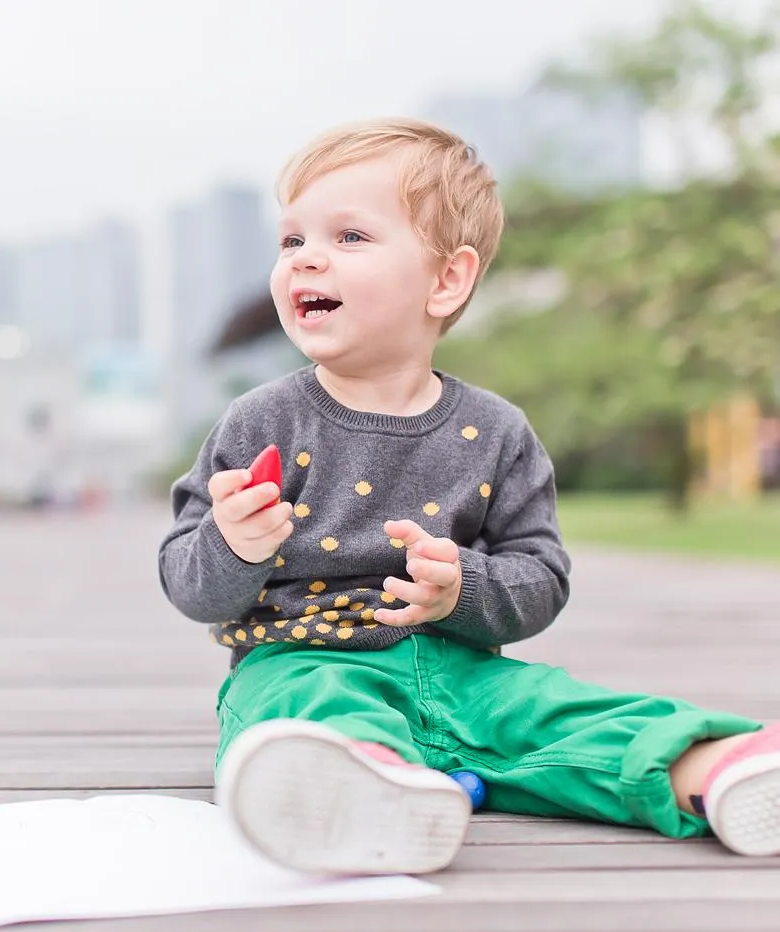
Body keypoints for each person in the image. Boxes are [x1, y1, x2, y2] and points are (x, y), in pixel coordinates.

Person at [158, 119, 779, 876]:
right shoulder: (262, 422)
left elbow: (542, 579)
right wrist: (233, 543)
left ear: (446, 280)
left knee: (558, 713)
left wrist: (463, 588)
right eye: (291, 241)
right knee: (300, 715)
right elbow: (191, 584)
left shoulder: (495, 431)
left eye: (349, 236)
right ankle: (366, 784)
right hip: (302, 659)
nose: (307, 258)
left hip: (464, 674)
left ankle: (715, 769)